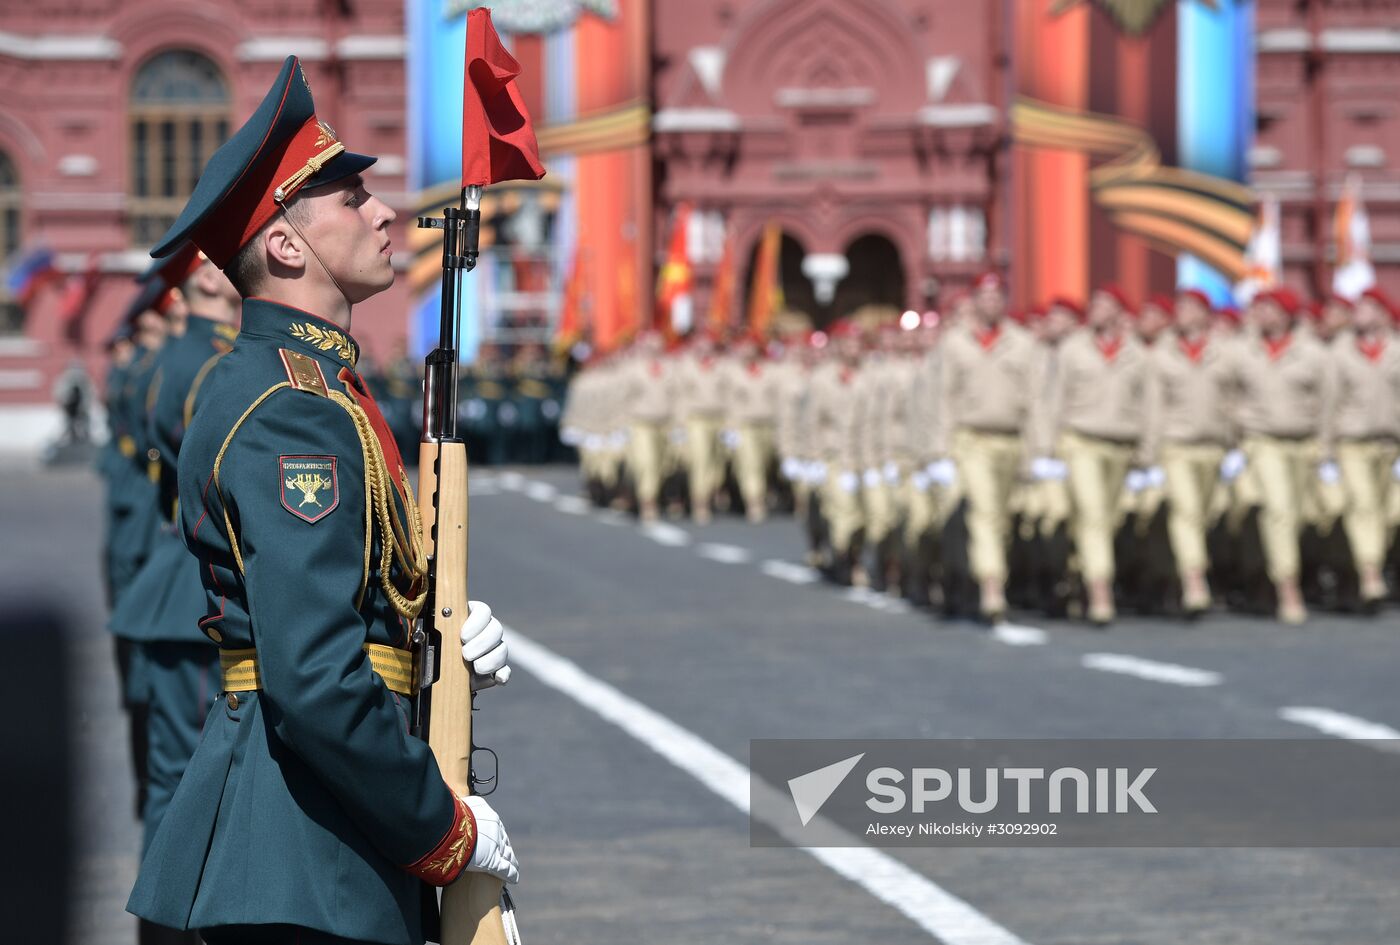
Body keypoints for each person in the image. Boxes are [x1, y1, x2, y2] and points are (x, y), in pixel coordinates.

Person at [126, 57, 517, 945]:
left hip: (321, 848)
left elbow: (355, 597)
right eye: (351, 198)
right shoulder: (288, 409)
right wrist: (444, 827)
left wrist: (440, 633)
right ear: (285, 246)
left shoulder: (315, 386)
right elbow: (312, 676)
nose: (384, 212)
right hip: (306, 858)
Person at [1221, 288, 1336, 624]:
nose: (1262, 314)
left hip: (1302, 444)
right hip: (1261, 442)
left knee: (1302, 516)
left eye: (1269, 308)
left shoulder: (1313, 353)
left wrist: (1325, 449)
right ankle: (1289, 590)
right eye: (1259, 308)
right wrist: (1234, 439)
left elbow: (1327, 403)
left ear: (1287, 313)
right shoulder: (1240, 351)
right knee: (1279, 512)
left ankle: (1268, 577)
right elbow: (1226, 395)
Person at [1038, 285, 1148, 626]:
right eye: (1095, 302)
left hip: (1121, 445)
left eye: (1105, 303)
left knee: (1105, 520)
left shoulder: (1137, 353)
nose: (1097, 308)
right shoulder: (1073, 349)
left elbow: (1148, 404)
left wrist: (1147, 452)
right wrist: (1047, 448)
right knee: (1093, 514)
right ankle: (1101, 592)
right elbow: (1054, 399)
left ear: (1119, 311)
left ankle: (1078, 576)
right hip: (1080, 441)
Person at [934, 271, 1040, 622]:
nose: (991, 302)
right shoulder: (955, 342)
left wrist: (1037, 450)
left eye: (997, 296)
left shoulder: (1023, 343)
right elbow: (944, 397)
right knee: (985, 513)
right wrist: (941, 450)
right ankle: (992, 589)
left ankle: (983, 576)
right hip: (971, 439)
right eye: (985, 296)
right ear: (975, 300)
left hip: (1010, 440)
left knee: (1002, 518)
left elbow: (1034, 400)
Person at [1141, 289, 1234, 615]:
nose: (1181, 312)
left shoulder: (1225, 352)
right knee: (1187, 512)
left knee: (1206, 515)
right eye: (1179, 306)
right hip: (1176, 446)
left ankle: (1177, 575)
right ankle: (1195, 582)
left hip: (1213, 446)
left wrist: (1235, 443)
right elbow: (1154, 407)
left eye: (1190, 307)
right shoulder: (1162, 354)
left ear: (1205, 313)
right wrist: (1150, 454)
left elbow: (1235, 399)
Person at [1331, 288, 1400, 608]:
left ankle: (1372, 561)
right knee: (1363, 505)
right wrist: (1327, 449)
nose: (1359, 312)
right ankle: (1370, 572)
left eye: (1368, 307)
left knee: (1388, 513)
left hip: (1390, 445)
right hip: (1353, 443)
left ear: (1383, 314)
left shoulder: (1396, 349)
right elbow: (1330, 402)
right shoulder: (1341, 351)